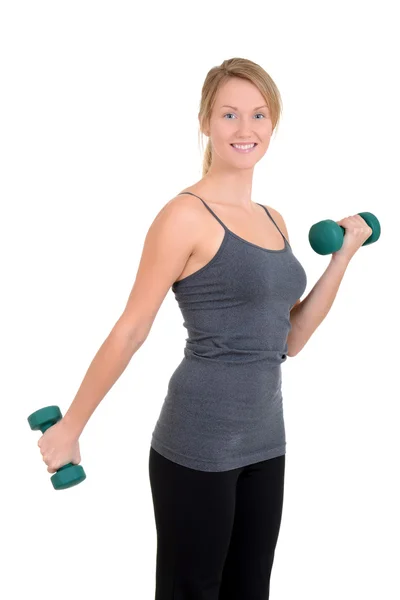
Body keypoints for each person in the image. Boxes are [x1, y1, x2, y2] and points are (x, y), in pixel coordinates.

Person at [37, 57, 373, 599]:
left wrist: (343, 260)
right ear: (205, 122)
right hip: (199, 443)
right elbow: (131, 328)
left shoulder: (273, 219)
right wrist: (72, 426)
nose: (246, 130)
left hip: (266, 442)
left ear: (273, 123)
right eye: (230, 115)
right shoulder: (184, 216)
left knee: (250, 591)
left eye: (259, 115)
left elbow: (288, 340)